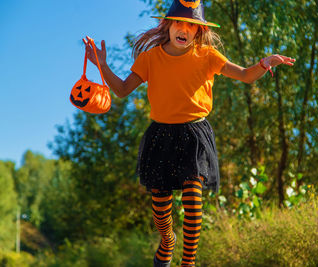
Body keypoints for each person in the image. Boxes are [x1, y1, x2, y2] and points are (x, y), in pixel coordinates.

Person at [83, 0, 295, 266]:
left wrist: (263, 63)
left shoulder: (207, 56)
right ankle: (167, 241)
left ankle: (188, 262)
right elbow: (123, 89)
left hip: (194, 136)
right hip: (160, 136)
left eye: (191, 25)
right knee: (161, 209)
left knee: (193, 204)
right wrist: (101, 65)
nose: (184, 29)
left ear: (198, 31)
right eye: (179, 23)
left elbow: (244, 75)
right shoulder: (149, 58)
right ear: (168, 25)